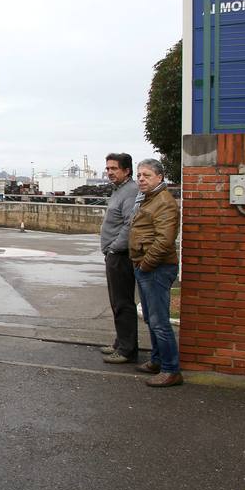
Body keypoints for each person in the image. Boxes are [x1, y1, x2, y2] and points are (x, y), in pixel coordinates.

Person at [129, 158, 182, 388]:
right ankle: (157, 360)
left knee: (159, 321)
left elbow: (164, 240)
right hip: (146, 266)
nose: (141, 179)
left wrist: (146, 264)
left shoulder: (164, 203)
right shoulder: (149, 199)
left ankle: (171, 369)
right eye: (139, 175)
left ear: (160, 177)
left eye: (146, 175)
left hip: (156, 268)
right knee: (152, 318)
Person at [99, 152, 140, 365]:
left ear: (127, 170)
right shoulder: (120, 190)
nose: (109, 172)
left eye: (114, 169)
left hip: (120, 256)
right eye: (108, 168)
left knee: (122, 302)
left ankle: (127, 350)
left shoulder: (130, 192)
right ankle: (120, 342)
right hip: (114, 254)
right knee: (117, 301)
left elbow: (129, 224)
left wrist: (114, 249)